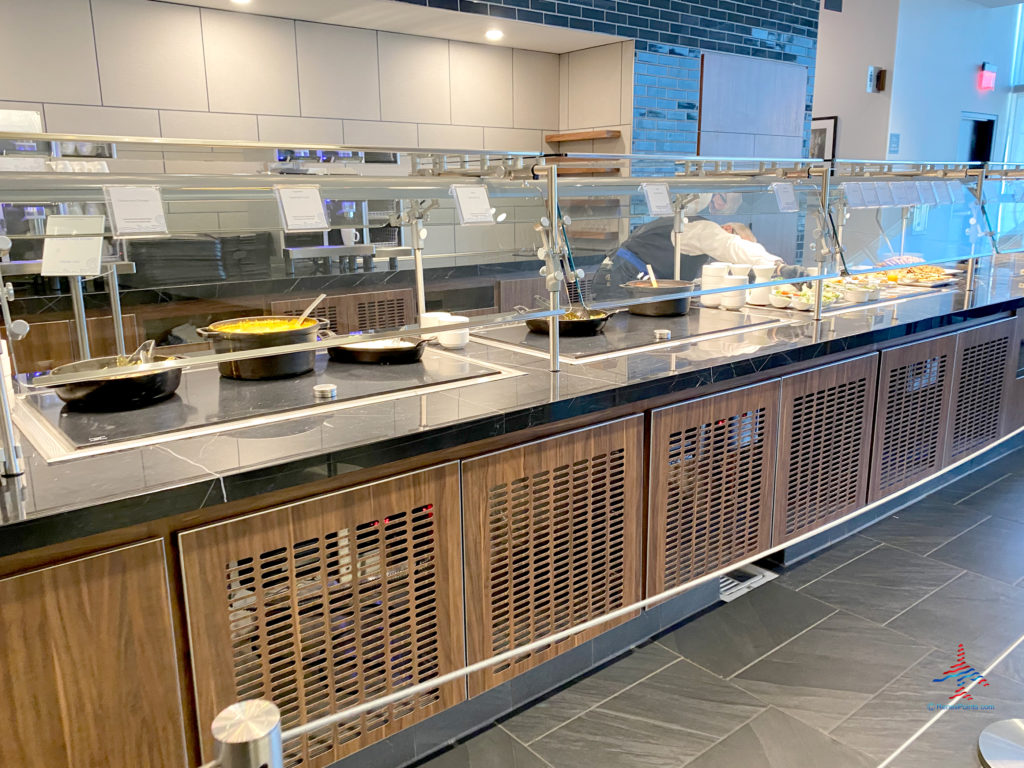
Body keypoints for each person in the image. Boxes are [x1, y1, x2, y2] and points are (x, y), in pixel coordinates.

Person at [592, 212, 806, 300]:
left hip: (624, 272)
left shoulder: (692, 229)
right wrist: (778, 267)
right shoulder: (705, 230)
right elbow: (732, 248)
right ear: (728, 229)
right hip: (623, 274)